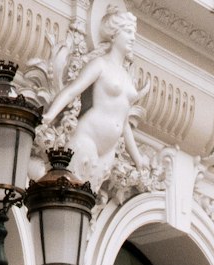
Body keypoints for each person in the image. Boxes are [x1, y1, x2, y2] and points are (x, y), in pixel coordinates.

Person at [42, 6, 148, 190]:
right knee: (67, 193)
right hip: (87, 137)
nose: (133, 38)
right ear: (115, 35)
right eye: (129, 32)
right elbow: (73, 90)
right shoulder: (100, 65)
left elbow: (123, 123)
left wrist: (137, 158)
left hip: (108, 150)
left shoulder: (128, 77)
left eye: (134, 33)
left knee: (85, 204)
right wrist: (51, 114)